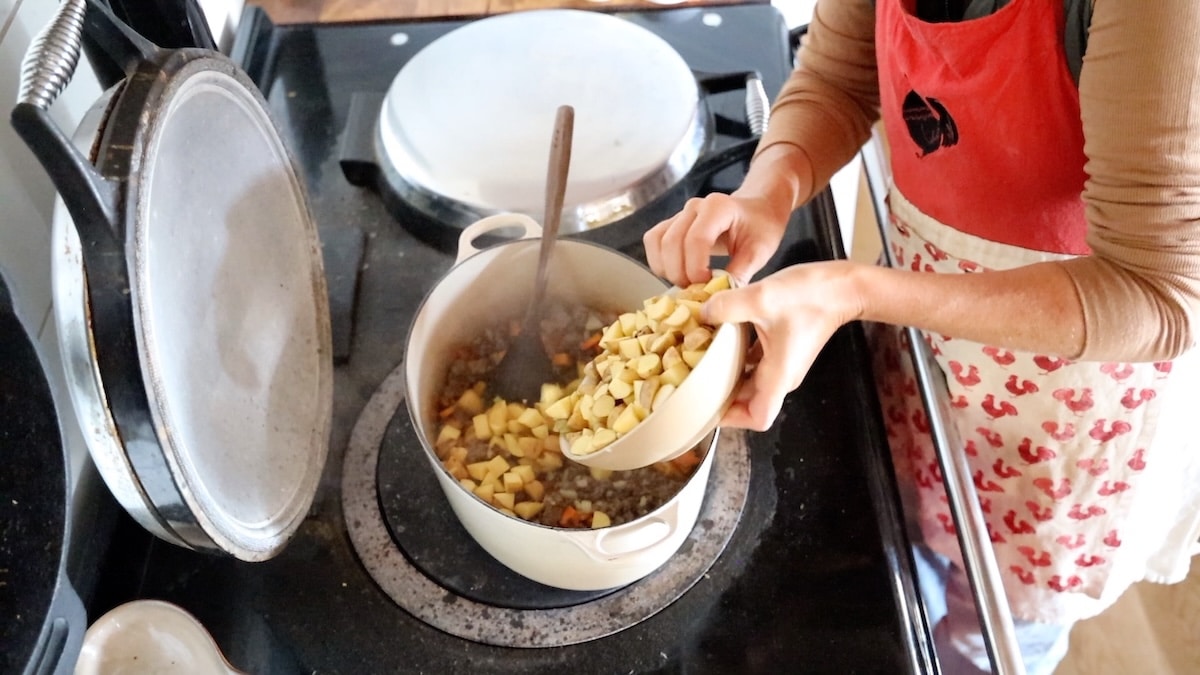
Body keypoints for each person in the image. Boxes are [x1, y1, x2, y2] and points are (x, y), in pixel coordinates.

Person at [643, 1, 1200, 673]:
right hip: (924, 353)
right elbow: (838, 81)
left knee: (992, 634)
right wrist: (769, 189)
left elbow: (1157, 292)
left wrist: (856, 291)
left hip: (1066, 425)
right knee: (915, 549)